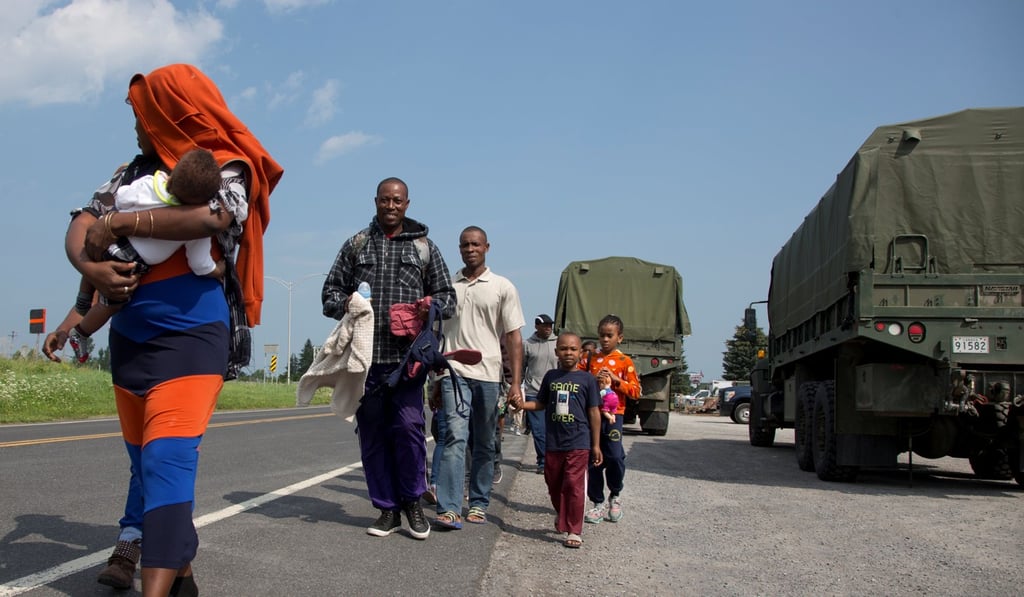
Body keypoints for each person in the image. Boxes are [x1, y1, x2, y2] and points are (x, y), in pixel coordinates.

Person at [43, 63, 282, 596]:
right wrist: (88, 278)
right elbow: (83, 222)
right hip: (129, 341)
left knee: (164, 459)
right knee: (148, 470)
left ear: (171, 113)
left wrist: (123, 223)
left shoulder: (227, 163)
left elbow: (210, 219)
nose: (135, 124)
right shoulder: (131, 170)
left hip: (194, 337)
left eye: (143, 113)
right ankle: (182, 574)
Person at [322, 177, 455, 540]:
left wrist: (428, 306)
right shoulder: (356, 245)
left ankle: (413, 502)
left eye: (397, 201)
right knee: (373, 435)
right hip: (364, 361)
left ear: (407, 204)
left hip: (408, 360)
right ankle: (387, 509)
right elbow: (329, 292)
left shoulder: (425, 248)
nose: (391, 206)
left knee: (410, 430)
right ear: (376, 202)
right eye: (385, 200)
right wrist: (349, 303)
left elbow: (448, 296)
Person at [66, 148, 226, 363]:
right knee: (111, 304)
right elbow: (199, 264)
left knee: (95, 264)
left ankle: (82, 301)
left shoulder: (150, 184)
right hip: (128, 261)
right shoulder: (191, 224)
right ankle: (81, 333)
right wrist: (218, 269)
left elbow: (121, 196)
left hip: (107, 241)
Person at [434, 226, 524, 529]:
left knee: (485, 441)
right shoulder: (447, 286)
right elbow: (436, 333)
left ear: (486, 247)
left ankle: (479, 502)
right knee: (454, 437)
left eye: (475, 244)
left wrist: (515, 383)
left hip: (488, 375)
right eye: (464, 245)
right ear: (459, 249)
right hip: (453, 373)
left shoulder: (502, 286)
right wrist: (434, 377)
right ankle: (449, 507)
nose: (469, 249)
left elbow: (514, 337)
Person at [511, 331, 602, 548]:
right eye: (564, 349)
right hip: (554, 443)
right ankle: (562, 514)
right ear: (556, 352)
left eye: (573, 349)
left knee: (574, 484)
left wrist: (596, 445)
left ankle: (574, 529)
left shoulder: (588, 379)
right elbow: (540, 403)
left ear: (581, 353)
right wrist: (522, 405)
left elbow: (594, 412)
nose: (568, 353)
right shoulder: (551, 377)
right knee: (553, 484)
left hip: (579, 443)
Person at [581, 314, 641, 525]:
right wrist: (591, 380)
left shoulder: (625, 362)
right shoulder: (590, 359)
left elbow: (635, 391)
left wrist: (616, 380)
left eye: (610, 336)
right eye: (602, 335)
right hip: (593, 414)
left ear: (620, 338)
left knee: (615, 456)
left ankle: (615, 494)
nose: (605, 340)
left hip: (615, 416)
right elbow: (579, 380)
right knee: (595, 459)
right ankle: (597, 503)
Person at [522, 313, 558, 473]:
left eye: (550, 325)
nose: (548, 328)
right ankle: (543, 462)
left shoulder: (558, 342)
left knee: (555, 429)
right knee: (538, 430)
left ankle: (555, 460)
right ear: (536, 326)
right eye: (545, 325)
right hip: (534, 393)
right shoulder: (527, 344)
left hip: (556, 393)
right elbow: (521, 367)